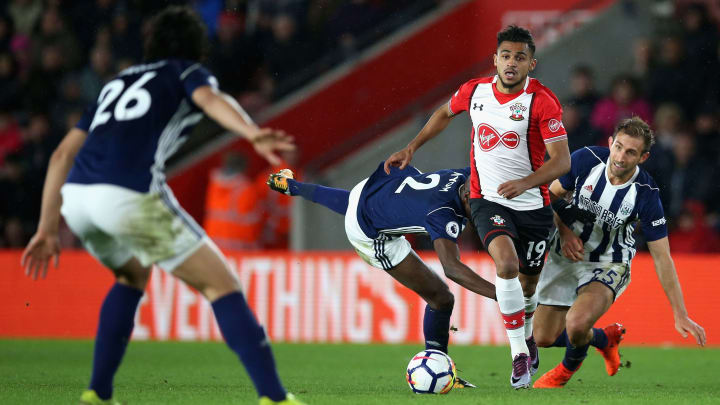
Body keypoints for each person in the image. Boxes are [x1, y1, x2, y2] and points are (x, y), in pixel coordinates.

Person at [20, 7, 304, 405]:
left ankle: (98, 393)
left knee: (131, 274)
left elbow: (61, 155)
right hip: (128, 195)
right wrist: (252, 133)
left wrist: (47, 227)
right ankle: (275, 398)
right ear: (195, 45)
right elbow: (211, 98)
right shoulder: (185, 72)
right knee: (222, 285)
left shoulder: (116, 83)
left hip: (79, 199)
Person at [384, 25, 571, 389]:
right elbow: (442, 113)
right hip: (486, 199)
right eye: (506, 56)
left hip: (532, 205)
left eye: (520, 57)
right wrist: (412, 147)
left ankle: (527, 337)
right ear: (495, 60)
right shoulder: (475, 91)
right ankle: (518, 355)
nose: (511, 63)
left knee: (529, 287)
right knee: (506, 264)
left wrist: (526, 183)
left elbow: (561, 161)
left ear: (532, 63)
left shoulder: (543, 101)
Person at [267, 163, 497, 388]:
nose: (485, 212)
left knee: (357, 201)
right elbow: (452, 268)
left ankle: (291, 186)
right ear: (467, 196)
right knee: (441, 298)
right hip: (370, 235)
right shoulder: (442, 212)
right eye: (481, 205)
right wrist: (504, 295)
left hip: (379, 187)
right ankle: (437, 364)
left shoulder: (467, 175)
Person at [532, 117, 706, 389]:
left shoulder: (646, 194)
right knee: (541, 336)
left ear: (643, 157)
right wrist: (565, 233)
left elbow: (662, 257)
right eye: (619, 147)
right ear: (610, 143)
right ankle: (603, 339)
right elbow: (549, 198)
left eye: (631, 152)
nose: (621, 157)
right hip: (567, 253)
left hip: (608, 262)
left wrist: (679, 313)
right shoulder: (585, 159)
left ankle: (563, 373)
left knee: (576, 324)